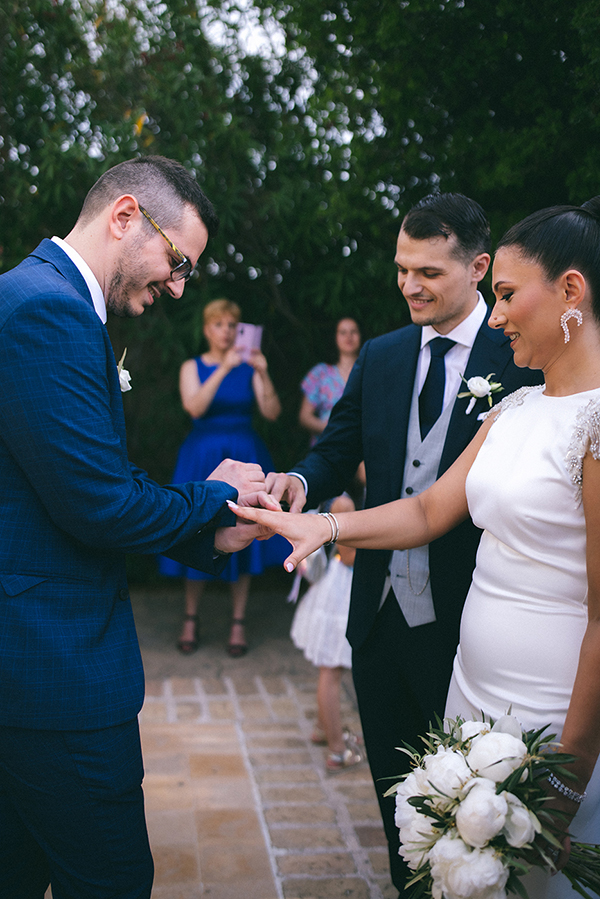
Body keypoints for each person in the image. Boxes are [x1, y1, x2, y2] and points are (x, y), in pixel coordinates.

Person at [233, 198, 600, 898]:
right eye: (402, 269)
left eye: (429, 271)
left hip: (523, 678)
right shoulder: (475, 391)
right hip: (430, 657)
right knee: (427, 837)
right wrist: (319, 517)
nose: (409, 285)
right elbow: (412, 497)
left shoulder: (559, 391)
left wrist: (569, 771)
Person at [0, 155, 266, 899]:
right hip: (52, 674)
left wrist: (209, 531)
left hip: (28, 671)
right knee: (111, 880)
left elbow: (82, 481)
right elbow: (100, 503)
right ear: (125, 216)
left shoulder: (38, 296)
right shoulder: (46, 310)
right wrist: (214, 497)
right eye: (178, 262)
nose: (178, 286)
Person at [159, 298, 283, 657]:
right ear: (206, 330)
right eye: (219, 325)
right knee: (197, 530)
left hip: (245, 452)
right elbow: (194, 407)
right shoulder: (192, 366)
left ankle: (238, 621)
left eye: (232, 325)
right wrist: (223, 369)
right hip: (203, 457)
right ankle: (190, 617)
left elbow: (272, 413)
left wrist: (262, 372)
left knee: (245, 529)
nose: (227, 332)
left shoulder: (249, 367)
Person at [290, 493, 365, 771]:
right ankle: (337, 750)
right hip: (341, 588)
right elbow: (348, 556)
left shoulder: (339, 496)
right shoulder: (344, 503)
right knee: (331, 671)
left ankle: (323, 729)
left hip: (337, 584)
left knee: (330, 667)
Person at [299, 317, 362, 445]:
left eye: (353, 331)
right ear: (334, 337)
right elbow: (305, 417)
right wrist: (332, 429)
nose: (348, 337)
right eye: (343, 332)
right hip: (328, 446)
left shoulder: (370, 372)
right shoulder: (321, 373)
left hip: (362, 446)